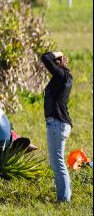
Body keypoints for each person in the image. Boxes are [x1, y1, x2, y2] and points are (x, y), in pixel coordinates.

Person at [41, 50, 73, 203]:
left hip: (57, 124)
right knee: (56, 162)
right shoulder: (63, 77)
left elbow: (45, 57)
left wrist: (58, 53)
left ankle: (64, 200)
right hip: (58, 124)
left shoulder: (61, 75)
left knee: (58, 163)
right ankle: (64, 197)